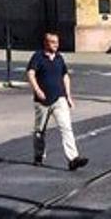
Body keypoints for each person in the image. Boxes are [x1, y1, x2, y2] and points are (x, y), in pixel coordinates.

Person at [26, 32, 88, 171]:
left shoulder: (60, 58)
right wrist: (38, 90)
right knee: (39, 131)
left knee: (66, 127)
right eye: (53, 42)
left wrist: (68, 96)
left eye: (57, 42)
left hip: (59, 98)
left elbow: (65, 76)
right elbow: (30, 74)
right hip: (42, 101)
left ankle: (73, 159)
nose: (56, 45)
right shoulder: (38, 56)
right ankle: (39, 156)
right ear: (46, 43)